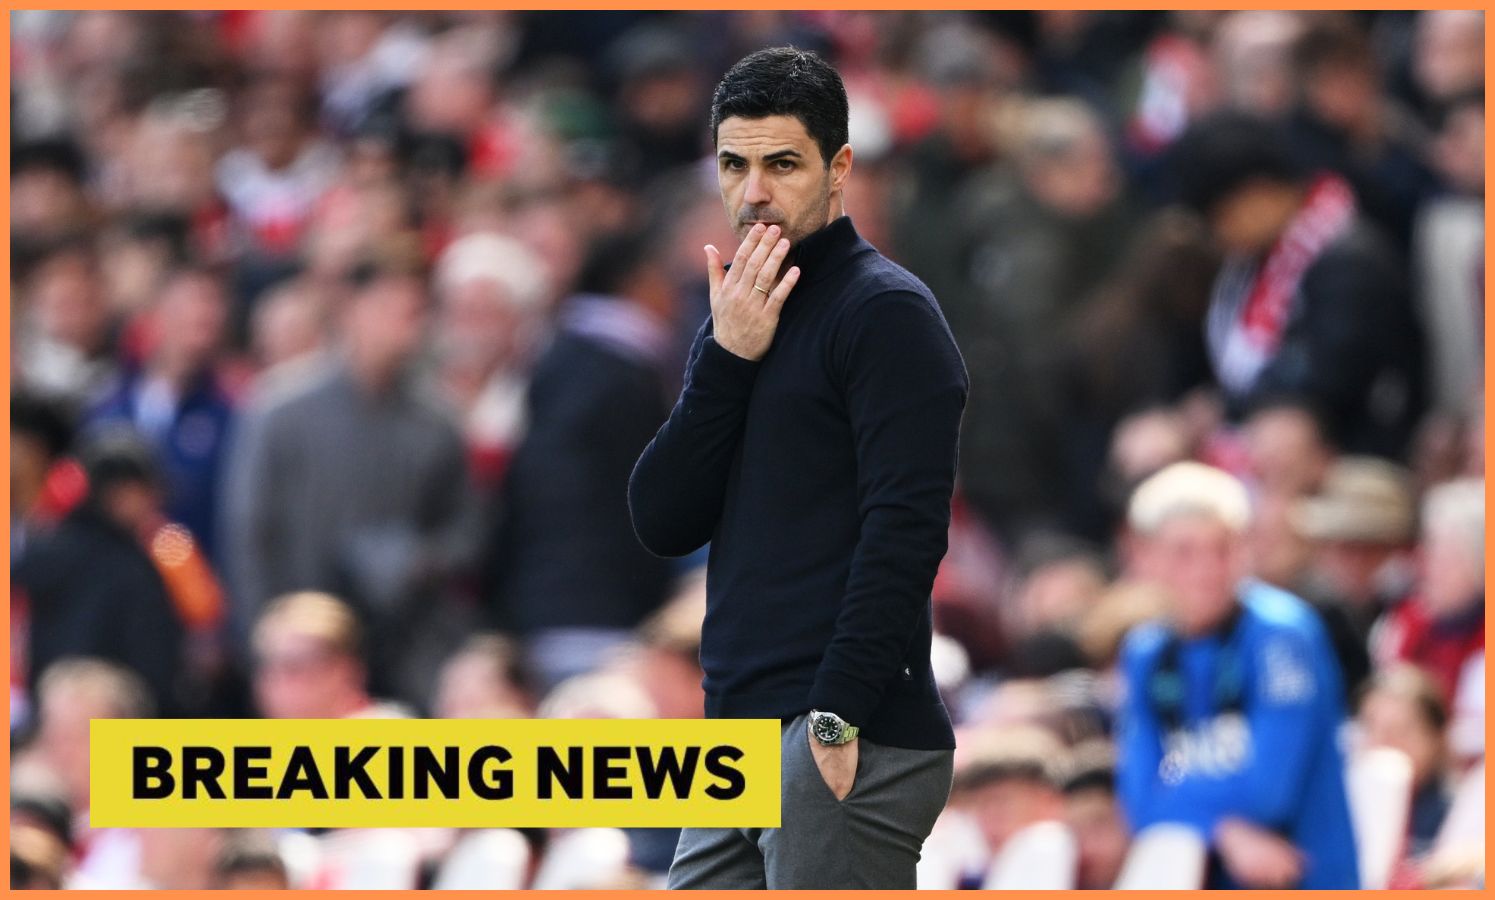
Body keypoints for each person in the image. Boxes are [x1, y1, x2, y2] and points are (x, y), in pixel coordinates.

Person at [629, 47, 967, 889]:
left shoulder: (885, 312)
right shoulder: (736, 318)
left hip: (838, 728)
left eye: (781, 164)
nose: (753, 192)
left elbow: (907, 530)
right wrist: (726, 360)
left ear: (838, 168)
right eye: (733, 165)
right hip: (736, 740)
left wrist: (837, 716)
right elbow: (661, 519)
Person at [220, 257, 480, 706]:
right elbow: (249, 534)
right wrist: (262, 643)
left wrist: (420, 559)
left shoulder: (438, 420)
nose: (404, 326)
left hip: (404, 640)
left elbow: (468, 529)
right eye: (388, 308)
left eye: (414, 313)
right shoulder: (281, 410)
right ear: (349, 309)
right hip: (303, 638)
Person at [1116, 461, 1358, 889]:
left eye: (1223, 548)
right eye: (1184, 552)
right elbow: (1137, 799)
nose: (1207, 569)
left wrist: (1179, 800)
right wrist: (1223, 828)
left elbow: (1268, 793)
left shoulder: (1281, 635)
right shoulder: (1145, 653)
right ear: (1144, 555)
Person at [1171, 111, 1424, 459]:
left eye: (1220, 218)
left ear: (1257, 193)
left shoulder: (1348, 257)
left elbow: (1327, 376)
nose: (1219, 237)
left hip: (1354, 449)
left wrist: (1224, 406)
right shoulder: (1248, 267)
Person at [485, 230, 676, 691]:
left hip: (541, 606)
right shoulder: (625, 377)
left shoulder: (558, 361)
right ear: (637, 282)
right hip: (605, 615)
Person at [14, 433, 186, 713]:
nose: (152, 503)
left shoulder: (54, 546)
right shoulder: (123, 563)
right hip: (102, 709)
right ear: (113, 493)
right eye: (141, 492)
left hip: (59, 709)